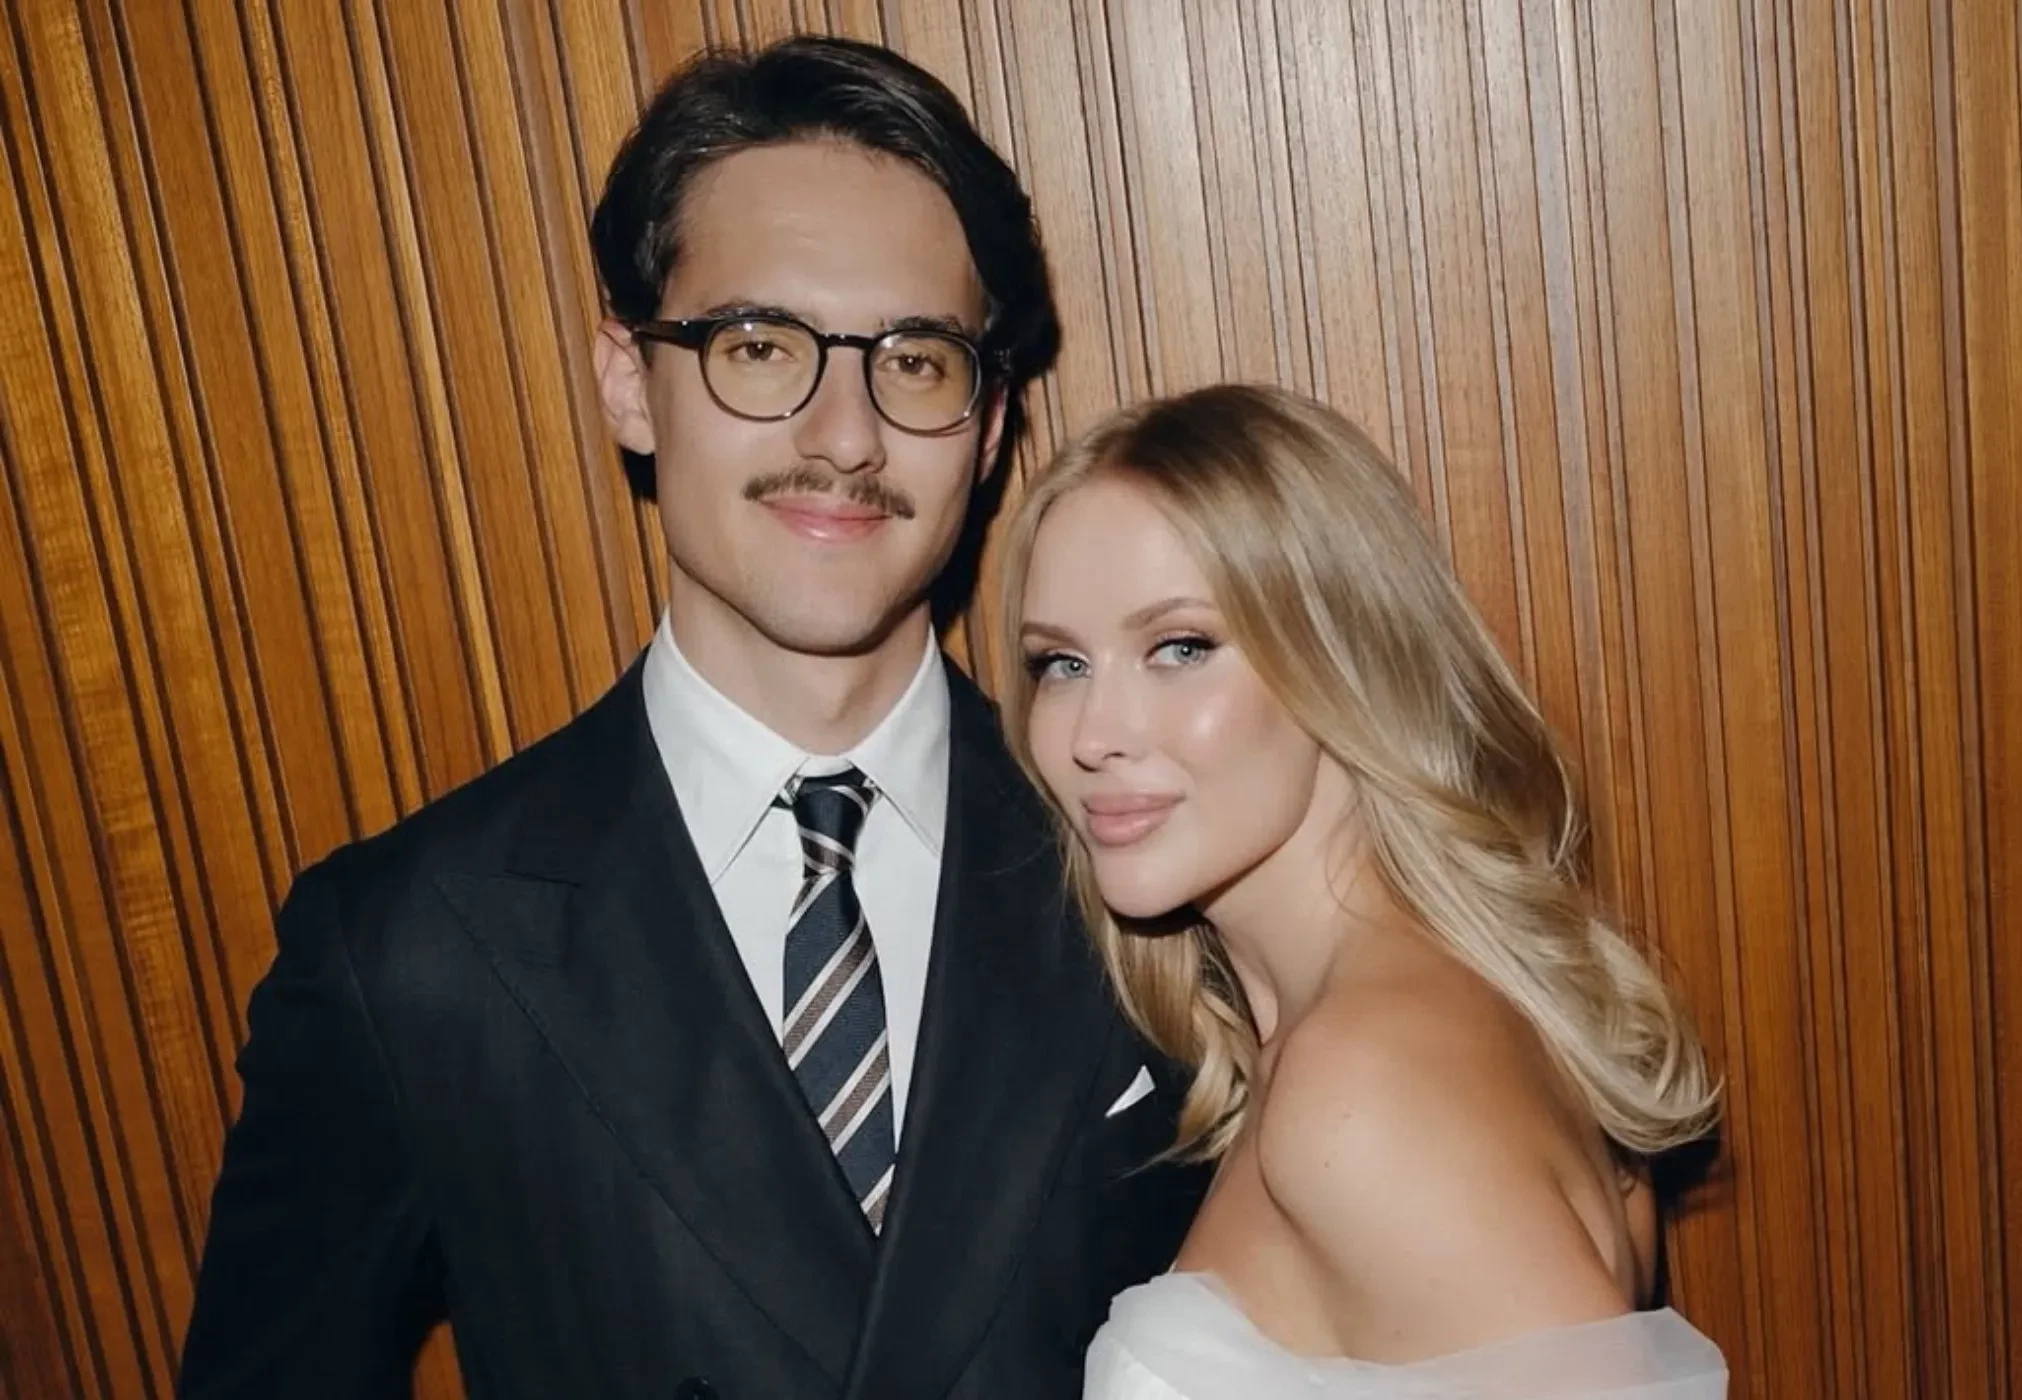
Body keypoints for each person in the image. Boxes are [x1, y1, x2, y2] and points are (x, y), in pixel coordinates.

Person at [179, 36, 1204, 1400]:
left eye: (915, 359)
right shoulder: (409, 949)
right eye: (759, 346)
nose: (843, 435)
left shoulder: (1160, 857)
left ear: (989, 419)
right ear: (629, 379)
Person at [993, 384, 1728, 1398]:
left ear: (1340, 653)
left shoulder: (1360, 1090)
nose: (1091, 734)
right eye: (1061, 663)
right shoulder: (1405, 1013)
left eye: (1181, 647)